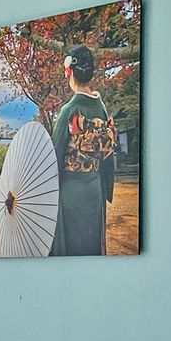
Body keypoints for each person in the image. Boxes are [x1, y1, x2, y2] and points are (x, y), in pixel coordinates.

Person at [49, 45, 117, 256]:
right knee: (91, 246)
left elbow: (54, 159)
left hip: (71, 192)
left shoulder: (69, 111)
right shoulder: (101, 108)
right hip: (95, 188)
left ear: (69, 73)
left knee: (71, 251)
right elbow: (107, 156)